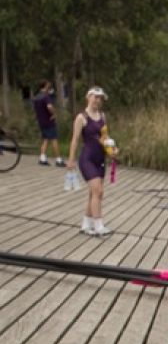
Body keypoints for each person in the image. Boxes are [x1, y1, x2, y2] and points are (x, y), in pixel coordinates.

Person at [66, 87, 117, 236]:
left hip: (100, 158)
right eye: (95, 97)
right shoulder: (81, 117)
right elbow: (75, 140)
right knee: (98, 191)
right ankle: (99, 226)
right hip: (87, 158)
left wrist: (112, 149)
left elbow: (105, 137)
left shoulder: (102, 116)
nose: (98, 100)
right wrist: (71, 159)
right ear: (88, 97)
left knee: (93, 193)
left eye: (100, 98)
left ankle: (85, 225)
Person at [33, 81, 64, 167]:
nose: (49, 86)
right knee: (54, 139)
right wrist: (54, 114)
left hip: (41, 121)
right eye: (48, 85)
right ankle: (58, 159)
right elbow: (49, 106)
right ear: (45, 86)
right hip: (49, 120)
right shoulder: (46, 96)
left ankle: (42, 158)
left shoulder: (36, 97)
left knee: (45, 139)